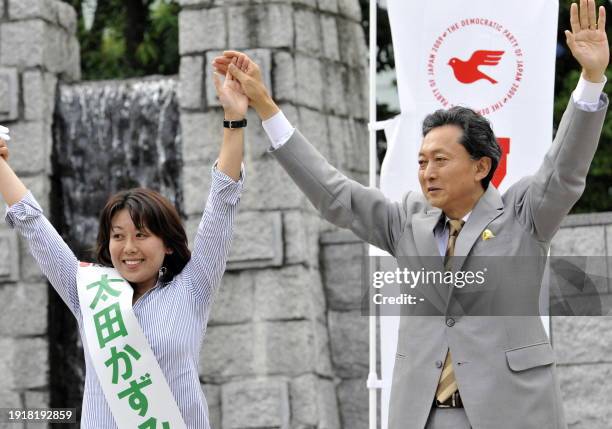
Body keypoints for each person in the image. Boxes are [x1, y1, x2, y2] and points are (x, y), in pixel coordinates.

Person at [212, 1, 609, 428]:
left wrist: (590, 80)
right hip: (424, 416)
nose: (427, 172)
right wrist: (266, 107)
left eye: (440, 159)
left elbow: (564, 170)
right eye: (421, 162)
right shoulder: (406, 221)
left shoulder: (522, 214)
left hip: (511, 413)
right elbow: (333, 193)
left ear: (480, 166)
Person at [0, 61, 250, 428]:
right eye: (118, 236)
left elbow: (222, 204)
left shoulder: (194, 287)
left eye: (141, 234)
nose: (128, 247)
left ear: (167, 244)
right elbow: (34, 226)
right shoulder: (89, 293)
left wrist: (233, 118)